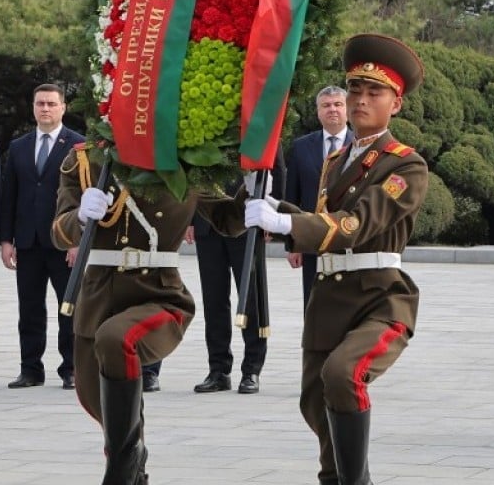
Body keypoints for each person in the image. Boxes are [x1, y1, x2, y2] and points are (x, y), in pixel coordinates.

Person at [244, 33, 427, 485]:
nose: (361, 100)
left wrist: (291, 227)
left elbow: (358, 224)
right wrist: (273, 209)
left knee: (344, 376)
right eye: (356, 91)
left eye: (374, 92)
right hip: (329, 299)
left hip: (379, 297)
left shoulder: (406, 165)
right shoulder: (338, 159)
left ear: (396, 104)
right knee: (314, 398)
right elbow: (320, 218)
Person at [51, 146, 247, 484]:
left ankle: (121, 471)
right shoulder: (84, 160)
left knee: (116, 340)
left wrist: (255, 194)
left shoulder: (185, 159)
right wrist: (79, 217)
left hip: (158, 294)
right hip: (99, 295)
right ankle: (132, 465)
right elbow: (59, 232)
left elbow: (228, 219)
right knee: (91, 394)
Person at [0, 84, 84, 390]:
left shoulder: (79, 146)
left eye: (51, 103)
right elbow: (9, 196)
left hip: (64, 242)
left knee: (69, 307)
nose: (45, 109)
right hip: (28, 241)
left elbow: (85, 197)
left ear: (63, 107)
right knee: (30, 308)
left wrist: (78, 240)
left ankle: (72, 368)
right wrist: (6, 239)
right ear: (33, 108)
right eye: (39, 104)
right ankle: (30, 369)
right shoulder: (19, 147)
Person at [191, 157, 285, 396]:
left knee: (251, 297)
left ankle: (251, 369)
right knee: (213, 300)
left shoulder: (258, 121)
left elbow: (277, 171)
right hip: (207, 221)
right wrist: (190, 218)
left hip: (247, 219)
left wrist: (273, 215)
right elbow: (191, 172)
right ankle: (218, 370)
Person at [285, 85, 354, 305]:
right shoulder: (301, 147)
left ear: (348, 109)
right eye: (326, 105)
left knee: (346, 303)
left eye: (338, 104)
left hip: (349, 239)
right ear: (318, 112)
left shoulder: (362, 146)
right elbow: (291, 198)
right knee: (313, 301)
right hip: (312, 239)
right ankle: (312, 341)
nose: (332, 109)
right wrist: (293, 244)